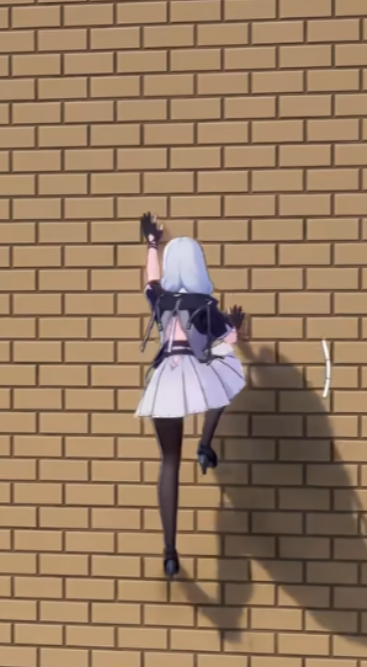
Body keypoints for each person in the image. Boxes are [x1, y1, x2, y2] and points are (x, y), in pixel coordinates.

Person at [136, 213, 246, 578]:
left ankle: (169, 550)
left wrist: (152, 243)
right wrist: (236, 327)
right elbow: (229, 340)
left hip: (165, 378)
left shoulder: (161, 300)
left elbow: (150, 281)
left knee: (169, 460)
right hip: (194, 370)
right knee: (227, 372)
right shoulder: (205, 305)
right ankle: (205, 444)